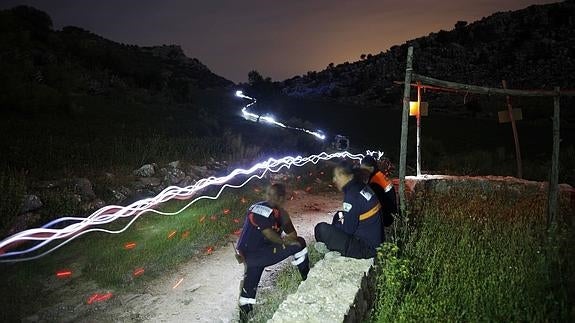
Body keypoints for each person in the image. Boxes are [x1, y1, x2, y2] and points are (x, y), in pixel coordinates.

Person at [235, 183, 309, 321]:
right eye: (268, 194)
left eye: (273, 196)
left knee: (249, 286)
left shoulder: (282, 214)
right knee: (299, 244)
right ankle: (307, 278)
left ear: (281, 199)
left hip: (261, 251)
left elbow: (292, 233)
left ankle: (244, 316)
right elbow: (269, 234)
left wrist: (289, 239)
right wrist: (285, 241)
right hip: (253, 253)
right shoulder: (260, 210)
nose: (269, 198)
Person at [314, 160, 382, 259]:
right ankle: (334, 242)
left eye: (337, 176)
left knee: (320, 228)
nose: (334, 180)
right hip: (372, 238)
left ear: (347, 176)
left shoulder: (352, 195)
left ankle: (331, 247)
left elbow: (347, 229)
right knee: (339, 214)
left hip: (366, 248)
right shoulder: (360, 186)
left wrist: (337, 227)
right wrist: (340, 220)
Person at [360, 155, 398, 230]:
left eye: (364, 169)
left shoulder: (375, 182)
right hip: (391, 212)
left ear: (371, 168)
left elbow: (370, 202)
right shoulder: (379, 175)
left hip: (386, 218)